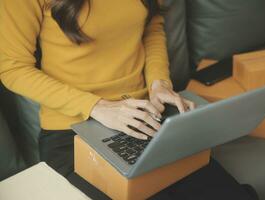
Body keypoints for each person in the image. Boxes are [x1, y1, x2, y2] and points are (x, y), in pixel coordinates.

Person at [0, 0, 196, 176]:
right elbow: (13, 68)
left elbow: (151, 27)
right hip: (72, 129)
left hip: (143, 116)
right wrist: (97, 106)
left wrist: (159, 83)